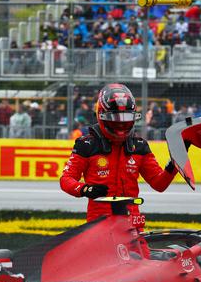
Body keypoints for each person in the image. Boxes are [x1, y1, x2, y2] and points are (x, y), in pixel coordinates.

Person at [60, 83, 179, 225]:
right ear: (102, 115)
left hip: (133, 223)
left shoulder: (139, 146)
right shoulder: (86, 145)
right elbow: (66, 179)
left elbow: (159, 184)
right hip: (99, 223)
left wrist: (175, 162)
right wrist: (85, 189)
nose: (121, 124)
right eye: (116, 119)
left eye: (126, 119)